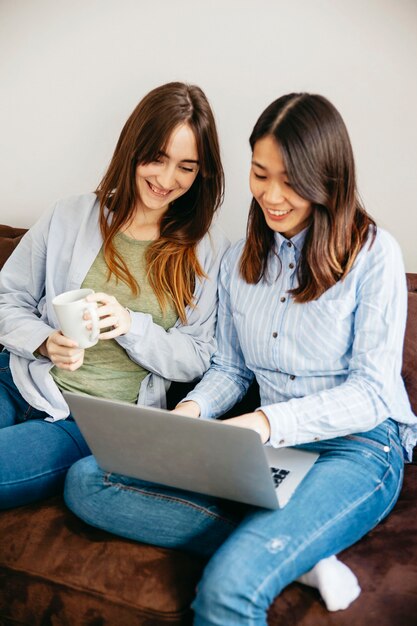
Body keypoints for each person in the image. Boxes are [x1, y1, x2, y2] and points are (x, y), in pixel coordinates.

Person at [65, 92, 416, 622]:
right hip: (268, 447)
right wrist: (190, 417)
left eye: (291, 181)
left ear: (328, 178)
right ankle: (296, 555)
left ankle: (270, 553)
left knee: (229, 589)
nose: (272, 195)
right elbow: (230, 369)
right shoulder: (239, 259)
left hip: (357, 448)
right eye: (260, 174)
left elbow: (371, 392)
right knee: (90, 479)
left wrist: (263, 422)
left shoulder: (373, 255)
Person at [0, 81, 229, 510]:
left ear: (202, 173)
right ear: (133, 147)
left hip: (88, 418)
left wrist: (132, 325)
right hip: (16, 380)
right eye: (157, 158)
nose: (166, 179)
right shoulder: (69, 215)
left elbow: (198, 356)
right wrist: (45, 341)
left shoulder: (205, 251)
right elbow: (6, 299)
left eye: (186, 166)